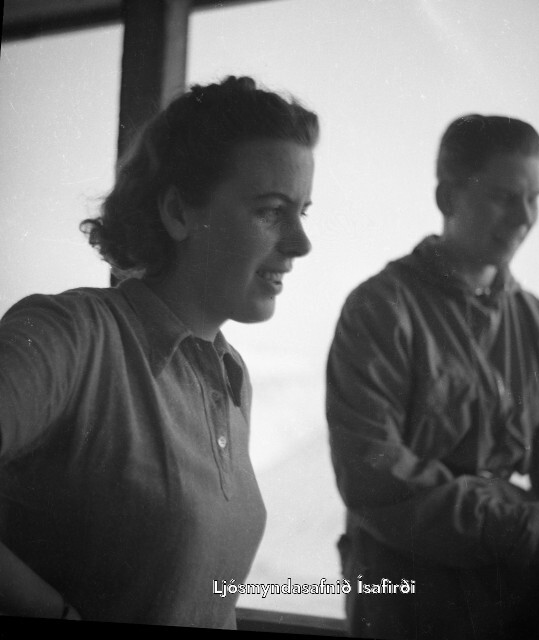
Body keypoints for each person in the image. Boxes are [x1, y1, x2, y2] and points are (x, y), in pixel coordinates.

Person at [0, 75, 318, 627]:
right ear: (177, 212)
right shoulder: (70, 335)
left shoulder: (230, 374)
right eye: (271, 210)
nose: (301, 243)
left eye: (302, 212)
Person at [326, 114, 539, 639]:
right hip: (406, 587)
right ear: (447, 198)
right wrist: (530, 535)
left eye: (533, 198)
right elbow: (373, 473)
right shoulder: (381, 310)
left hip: (513, 583)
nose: (525, 217)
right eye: (504, 198)